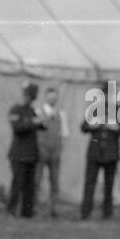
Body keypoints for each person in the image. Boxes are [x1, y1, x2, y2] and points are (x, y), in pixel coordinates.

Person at [80, 85, 120, 219]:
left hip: (111, 153)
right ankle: (85, 213)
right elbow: (83, 127)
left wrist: (116, 129)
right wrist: (92, 126)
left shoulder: (119, 110)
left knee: (109, 185)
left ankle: (107, 213)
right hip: (94, 152)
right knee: (89, 183)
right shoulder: (94, 109)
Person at [6, 82, 43, 218]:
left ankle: (27, 213)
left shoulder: (32, 110)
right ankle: (11, 210)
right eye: (27, 96)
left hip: (31, 154)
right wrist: (33, 123)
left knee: (29, 186)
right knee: (17, 183)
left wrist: (41, 121)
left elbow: (42, 126)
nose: (28, 99)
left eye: (31, 97)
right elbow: (17, 128)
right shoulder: (16, 109)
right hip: (18, 154)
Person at [35, 84, 69, 217]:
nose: (53, 100)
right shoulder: (38, 112)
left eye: (55, 98)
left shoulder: (61, 114)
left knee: (54, 181)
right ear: (46, 98)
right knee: (37, 179)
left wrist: (60, 148)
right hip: (41, 150)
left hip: (55, 151)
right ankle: (35, 207)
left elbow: (65, 133)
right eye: (50, 98)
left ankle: (53, 208)